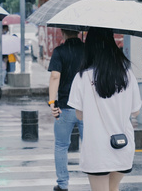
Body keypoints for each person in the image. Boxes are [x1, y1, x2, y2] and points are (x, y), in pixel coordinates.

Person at [67, 28, 142, 191]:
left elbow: (79, 115)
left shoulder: (82, 77)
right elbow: (135, 111)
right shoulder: (127, 74)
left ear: (90, 47)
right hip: (122, 144)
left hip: (97, 148)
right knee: (113, 188)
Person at [47, 29, 85, 191]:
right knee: (91, 145)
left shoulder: (60, 51)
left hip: (65, 106)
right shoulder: (88, 50)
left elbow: (55, 76)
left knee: (61, 146)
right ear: (78, 31)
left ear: (62, 32)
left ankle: (63, 184)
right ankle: (97, 181)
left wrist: (51, 102)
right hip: (85, 108)